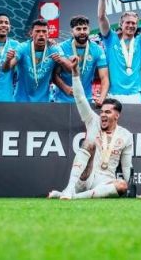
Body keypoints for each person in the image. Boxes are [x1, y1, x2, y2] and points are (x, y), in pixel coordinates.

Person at [48, 57, 133, 199]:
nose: (103, 115)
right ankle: (69, 189)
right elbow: (80, 98)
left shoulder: (126, 135)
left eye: (108, 112)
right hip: (85, 176)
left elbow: (126, 165)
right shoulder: (93, 120)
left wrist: (132, 192)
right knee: (89, 142)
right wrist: (75, 73)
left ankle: (72, 197)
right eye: (102, 112)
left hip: (105, 181)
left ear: (117, 115)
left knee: (122, 185)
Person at [4, 19, 72, 103]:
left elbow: (71, 70)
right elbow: (7, 68)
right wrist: (7, 60)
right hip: (21, 101)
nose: (41, 34)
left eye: (44, 31)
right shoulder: (23, 47)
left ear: (48, 34)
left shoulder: (54, 49)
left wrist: (61, 60)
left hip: (44, 102)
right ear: (31, 33)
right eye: (37, 31)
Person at [54, 15, 109, 105]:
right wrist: (65, 88)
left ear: (89, 30)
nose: (82, 32)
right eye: (78, 29)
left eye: (85, 28)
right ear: (72, 32)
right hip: (63, 100)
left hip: (86, 100)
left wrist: (102, 98)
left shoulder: (97, 49)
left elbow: (104, 77)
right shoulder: (61, 47)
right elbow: (55, 74)